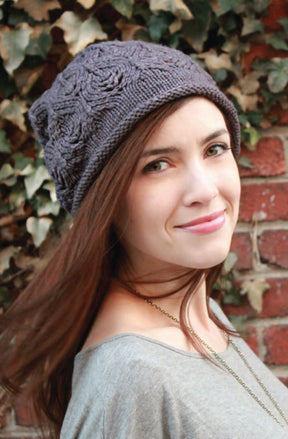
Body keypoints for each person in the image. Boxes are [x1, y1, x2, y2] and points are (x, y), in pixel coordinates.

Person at [0, 40, 287, 439]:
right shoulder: (131, 376)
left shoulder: (202, 313)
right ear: (106, 201)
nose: (204, 190)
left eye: (215, 148)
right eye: (157, 165)